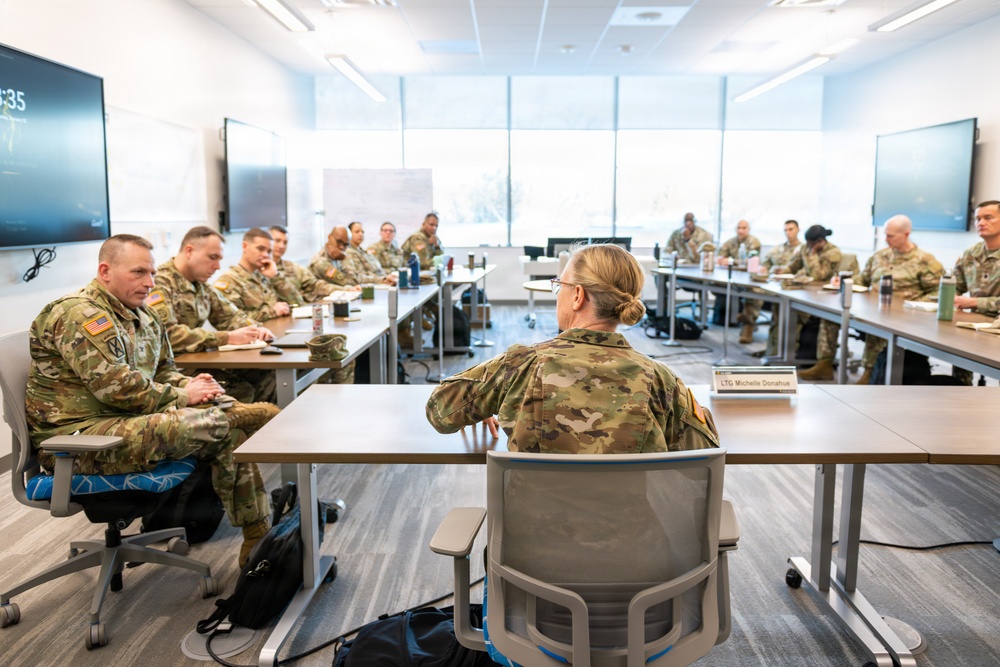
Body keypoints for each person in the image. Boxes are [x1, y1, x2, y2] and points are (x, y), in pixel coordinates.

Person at [26, 234, 274, 567]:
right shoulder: (80, 315)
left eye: (153, 273)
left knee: (227, 432)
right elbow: (117, 388)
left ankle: (256, 533)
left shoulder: (143, 314)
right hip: (76, 440)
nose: (149, 282)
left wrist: (192, 383)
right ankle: (230, 414)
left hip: (121, 421)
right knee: (189, 422)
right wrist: (186, 395)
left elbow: (164, 371)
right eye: (139, 273)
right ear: (105, 271)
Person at [425, 244, 719, 454]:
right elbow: (705, 452)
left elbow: (439, 411)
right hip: (632, 538)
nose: (558, 296)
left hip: (532, 538)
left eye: (559, 286)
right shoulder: (661, 380)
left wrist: (480, 401)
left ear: (578, 295)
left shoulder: (520, 365)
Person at [148, 226, 277, 403]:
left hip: (194, 361)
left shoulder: (200, 285)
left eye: (219, 259)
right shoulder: (159, 283)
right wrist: (227, 337)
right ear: (189, 251)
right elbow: (168, 334)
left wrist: (255, 329)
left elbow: (230, 315)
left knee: (266, 374)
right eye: (212, 258)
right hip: (170, 370)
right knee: (242, 389)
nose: (217, 266)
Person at [852, 215, 944, 384]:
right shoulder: (880, 256)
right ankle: (870, 372)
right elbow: (862, 279)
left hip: (907, 318)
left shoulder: (925, 261)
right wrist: (846, 282)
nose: (886, 240)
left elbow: (937, 293)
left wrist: (910, 307)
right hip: (874, 311)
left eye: (891, 236)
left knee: (883, 330)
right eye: (885, 235)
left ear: (906, 234)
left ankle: (875, 375)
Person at [787, 226, 847, 381]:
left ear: (820, 241)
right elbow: (793, 266)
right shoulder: (805, 248)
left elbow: (818, 275)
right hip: (807, 292)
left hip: (826, 297)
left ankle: (823, 364)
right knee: (784, 308)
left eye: (811, 244)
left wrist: (812, 254)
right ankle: (791, 352)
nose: (807, 247)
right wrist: (781, 270)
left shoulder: (833, 253)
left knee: (824, 320)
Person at [214, 228, 299, 321]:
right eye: (260, 249)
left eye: (269, 251)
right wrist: (272, 312)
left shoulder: (265, 276)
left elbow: (297, 303)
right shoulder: (229, 280)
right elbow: (231, 320)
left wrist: (276, 276)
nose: (265, 255)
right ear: (245, 246)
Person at [716, 219, 762, 344]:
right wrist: (722, 259)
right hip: (731, 276)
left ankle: (748, 324)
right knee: (713, 284)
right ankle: (736, 316)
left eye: (744, 228)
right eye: (738, 228)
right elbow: (721, 255)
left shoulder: (754, 242)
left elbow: (750, 260)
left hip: (748, 277)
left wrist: (732, 261)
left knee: (754, 291)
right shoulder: (731, 241)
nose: (741, 230)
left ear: (748, 229)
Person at [954, 200, 1000, 316]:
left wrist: (974, 302)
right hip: (974, 323)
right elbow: (953, 285)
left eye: (988, 218)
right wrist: (952, 299)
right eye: (978, 219)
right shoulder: (970, 253)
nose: (981, 223)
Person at [269, 225, 338, 302]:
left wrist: (346, 289)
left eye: (285, 242)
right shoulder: (259, 269)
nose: (281, 246)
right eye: (277, 241)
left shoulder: (293, 267)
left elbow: (315, 285)